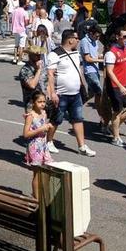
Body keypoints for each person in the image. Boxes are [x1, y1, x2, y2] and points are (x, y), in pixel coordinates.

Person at [47, 29, 97, 157]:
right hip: (61, 94)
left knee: (78, 119)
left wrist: (82, 83)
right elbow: (50, 75)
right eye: (76, 38)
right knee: (55, 119)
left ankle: (82, 146)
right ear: (70, 40)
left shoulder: (76, 53)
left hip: (75, 94)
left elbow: (78, 69)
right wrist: (52, 93)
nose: (78, 40)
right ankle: (49, 142)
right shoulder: (54, 54)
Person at [24, 90, 55, 198]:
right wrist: (41, 129)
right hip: (34, 146)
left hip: (43, 144)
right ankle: (36, 198)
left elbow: (43, 126)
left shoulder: (44, 113)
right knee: (36, 173)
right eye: (39, 102)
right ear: (33, 102)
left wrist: (47, 126)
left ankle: (42, 194)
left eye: (43, 101)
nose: (42, 104)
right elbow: (26, 134)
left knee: (47, 169)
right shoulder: (30, 116)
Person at [80, 25, 107, 130]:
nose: (97, 38)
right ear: (91, 33)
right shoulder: (84, 41)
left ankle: (75, 104)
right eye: (96, 36)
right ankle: (103, 119)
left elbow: (94, 55)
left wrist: (101, 56)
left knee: (91, 94)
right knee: (99, 93)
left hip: (95, 70)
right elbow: (87, 59)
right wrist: (102, 60)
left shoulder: (94, 41)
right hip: (89, 72)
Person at [11, 0, 30, 65]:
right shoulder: (25, 12)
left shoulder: (14, 11)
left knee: (16, 45)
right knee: (21, 46)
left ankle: (15, 58)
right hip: (22, 30)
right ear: (24, 4)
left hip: (15, 29)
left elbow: (11, 19)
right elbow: (26, 22)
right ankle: (19, 60)